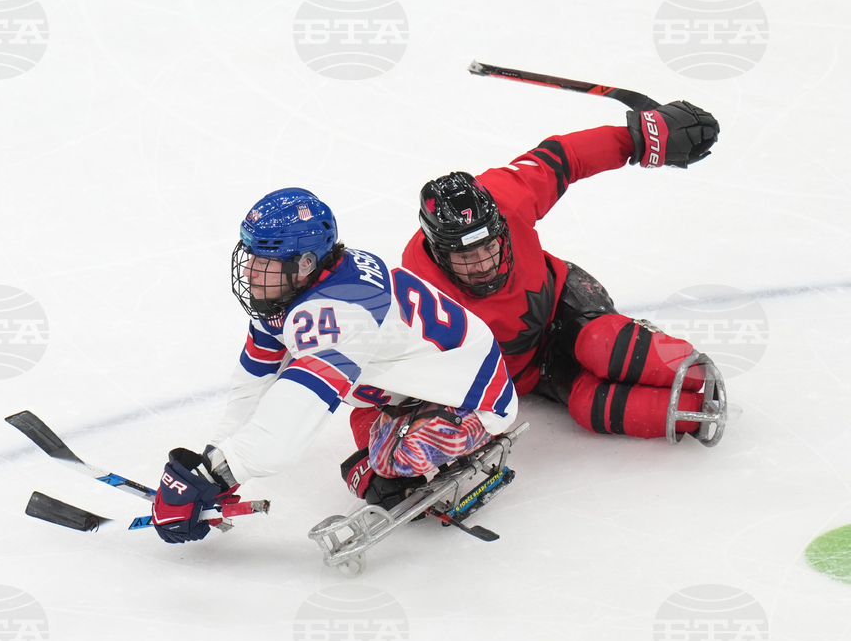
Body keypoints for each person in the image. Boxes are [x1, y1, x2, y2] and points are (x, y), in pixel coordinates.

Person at [151, 188, 518, 543]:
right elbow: (254, 383)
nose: (250, 273)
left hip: (475, 394)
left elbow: (284, 433)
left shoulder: (338, 313)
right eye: (251, 257)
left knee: (390, 463)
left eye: (264, 262)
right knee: (370, 462)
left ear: (305, 264)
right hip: (417, 384)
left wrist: (217, 475)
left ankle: (468, 427)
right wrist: (211, 461)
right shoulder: (294, 289)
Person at [400, 101, 727, 442]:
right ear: (439, 253)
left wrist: (639, 138)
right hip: (530, 370)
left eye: (489, 247)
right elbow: (378, 369)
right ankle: (693, 411)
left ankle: (694, 375)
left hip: (564, 298)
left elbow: (563, 156)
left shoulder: (505, 198)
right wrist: (367, 463)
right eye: (466, 257)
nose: (483, 264)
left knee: (602, 344)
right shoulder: (416, 292)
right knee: (591, 406)